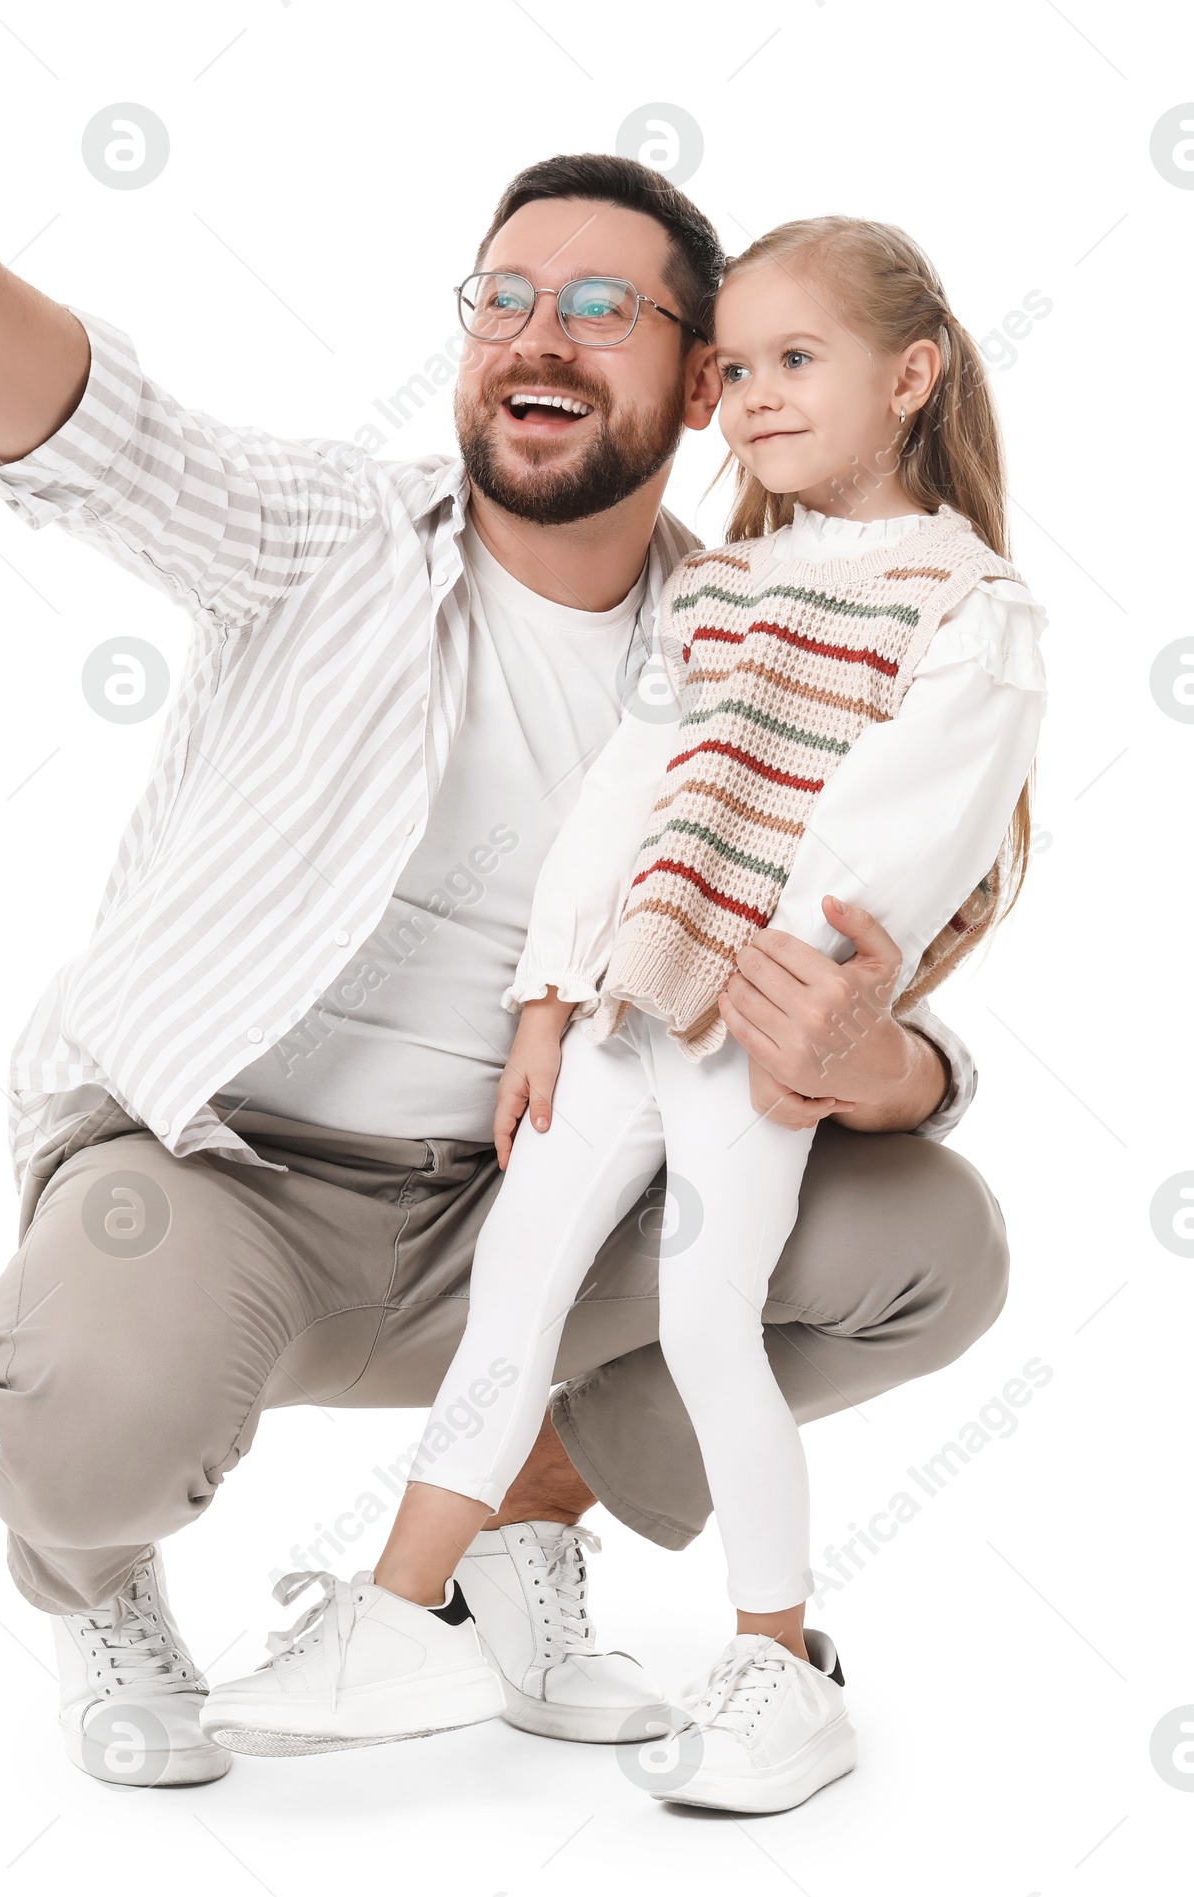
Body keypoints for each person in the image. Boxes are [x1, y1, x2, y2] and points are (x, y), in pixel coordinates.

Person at [0, 86, 1012, 1793]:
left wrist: (893, 1064)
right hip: (231, 1177)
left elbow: (893, 926)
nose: (539, 338)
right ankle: (100, 1587)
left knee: (930, 1236)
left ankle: (516, 1530)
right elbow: (109, 437)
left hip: (533, 1186)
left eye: (605, 309)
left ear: (706, 385)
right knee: (78, 1430)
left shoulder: (761, 627)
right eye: (504, 300)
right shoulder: (329, 537)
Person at [199, 218, 1047, 1810]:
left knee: (713, 1317)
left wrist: (799, 993)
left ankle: (774, 1659)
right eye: (736, 370)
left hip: (761, 1025)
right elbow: (625, 794)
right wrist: (546, 995)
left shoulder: (964, 608)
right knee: (512, 1292)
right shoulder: (722, 587)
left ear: (910, 376)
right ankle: (395, 1618)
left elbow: (896, 840)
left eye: (802, 360)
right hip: (625, 1007)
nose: (759, 397)